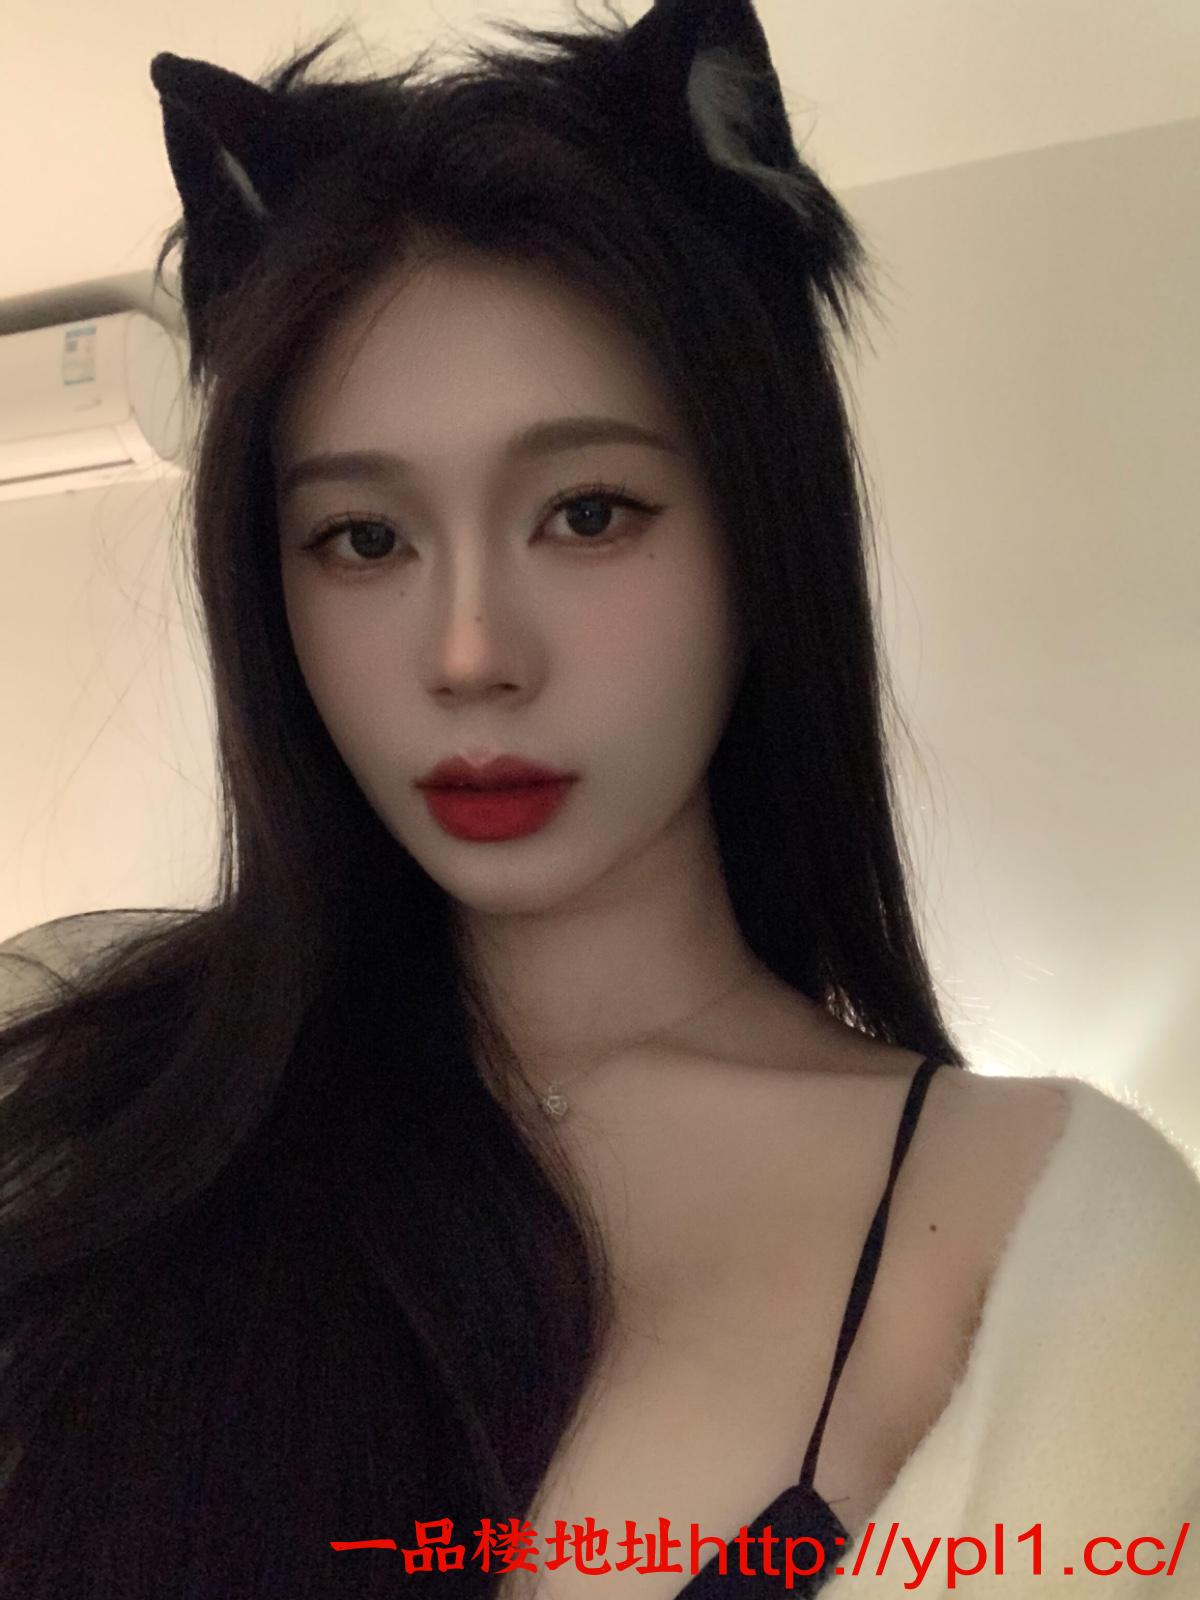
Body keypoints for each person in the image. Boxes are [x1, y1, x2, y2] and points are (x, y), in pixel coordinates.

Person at [2, 2, 1197, 1596]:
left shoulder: (1046, 1231)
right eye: (364, 538)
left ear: (760, 536)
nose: (471, 654)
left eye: (587, 513)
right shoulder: (71, 1080)